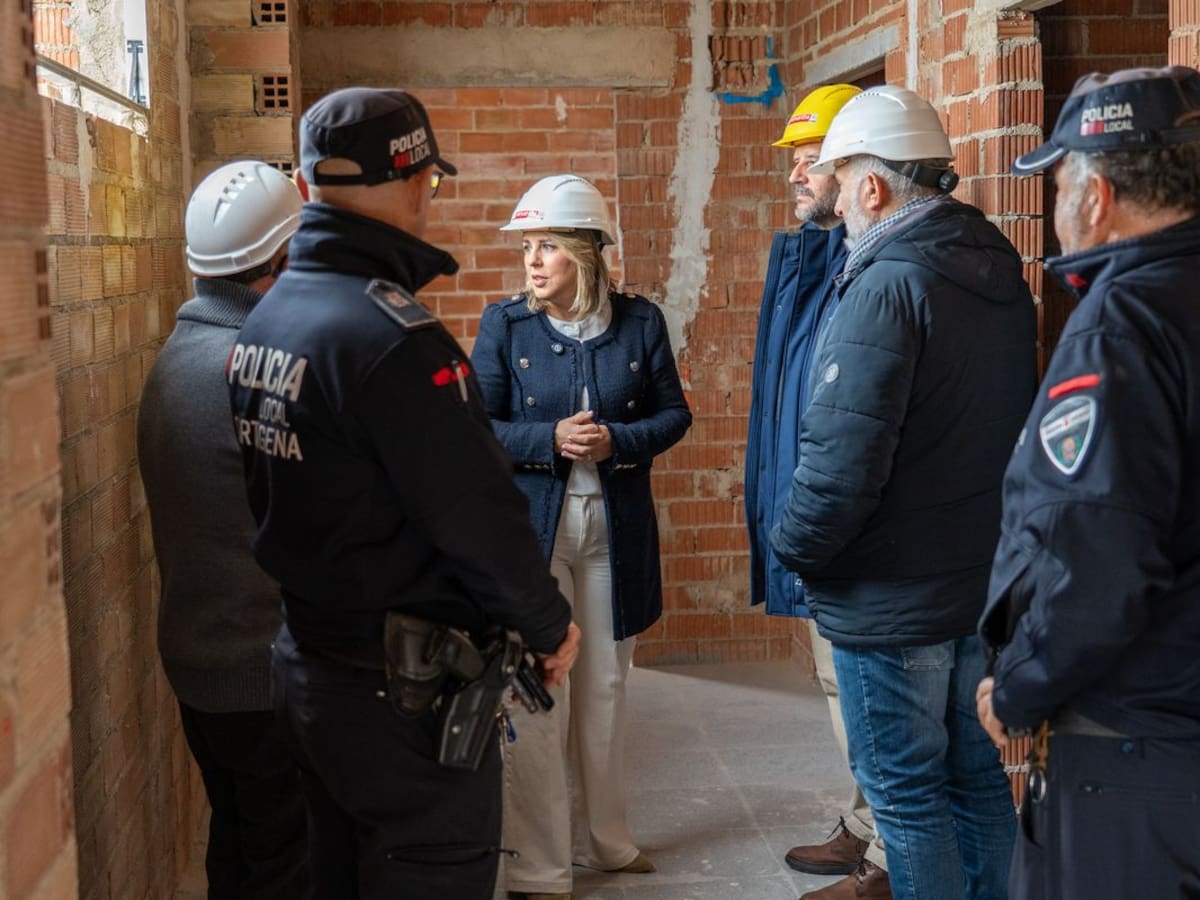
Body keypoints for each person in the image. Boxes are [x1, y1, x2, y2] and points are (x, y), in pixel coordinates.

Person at [226, 87, 581, 900]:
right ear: (415, 181)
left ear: (308, 186)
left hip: (311, 669)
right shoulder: (391, 340)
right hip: (402, 698)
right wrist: (547, 624)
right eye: (431, 179)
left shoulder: (267, 321)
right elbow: (477, 513)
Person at [769, 85, 1036, 900]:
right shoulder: (993, 265)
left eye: (841, 177)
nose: (837, 196)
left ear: (874, 187)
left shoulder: (885, 283)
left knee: (909, 798)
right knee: (976, 781)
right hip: (971, 581)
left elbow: (841, 463)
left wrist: (792, 547)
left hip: (889, 596)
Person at [977, 65, 1200, 900]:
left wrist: (1018, 690)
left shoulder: (1121, 325)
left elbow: (1096, 558)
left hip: (1137, 751)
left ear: (1096, 197)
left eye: (1058, 185)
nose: (1056, 210)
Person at [470, 174, 692, 900]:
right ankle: (540, 866)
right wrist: (548, 439)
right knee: (540, 690)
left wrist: (617, 441)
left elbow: (674, 415)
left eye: (548, 246)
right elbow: (477, 427)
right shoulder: (506, 325)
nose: (532, 261)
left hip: (614, 532)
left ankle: (609, 841)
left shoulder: (640, 322)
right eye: (527, 247)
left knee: (606, 688)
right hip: (535, 535)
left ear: (587, 252)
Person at [137, 160, 307, 899]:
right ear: (283, 261)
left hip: (203, 662)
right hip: (261, 672)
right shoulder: (251, 371)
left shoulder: (177, 357)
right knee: (287, 869)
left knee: (238, 849)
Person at [743, 83, 893, 900]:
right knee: (838, 683)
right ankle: (867, 822)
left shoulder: (865, 267)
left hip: (848, 524)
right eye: (794, 161)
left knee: (864, 688)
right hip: (813, 513)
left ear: (855, 166)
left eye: (810, 161)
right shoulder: (812, 258)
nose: (796, 175)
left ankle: (886, 851)